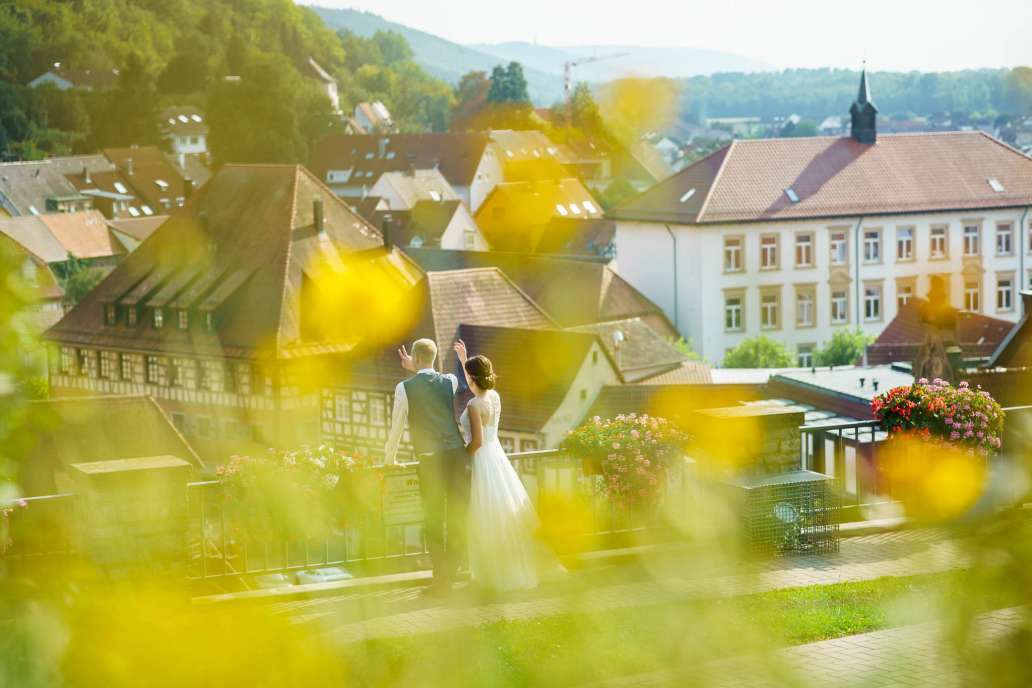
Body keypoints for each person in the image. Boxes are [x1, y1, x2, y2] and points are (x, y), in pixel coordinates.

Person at [454, 340, 563, 592]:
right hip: (498, 457)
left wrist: (460, 457)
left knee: (485, 516)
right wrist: (464, 359)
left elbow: (477, 441)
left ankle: (493, 573)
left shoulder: (473, 405)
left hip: (481, 460)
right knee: (505, 512)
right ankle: (516, 565)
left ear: (472, 378)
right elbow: (476, 387)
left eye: (468, 375)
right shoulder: (494, 396)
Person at [385, 338, 469, 594]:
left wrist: (390, 459)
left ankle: (441, 579)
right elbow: (441, 381)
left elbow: (397, 427)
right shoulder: (450, 382)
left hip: (431, 460)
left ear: (415, 358)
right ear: (432, 358)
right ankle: (449, 575)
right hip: (456, 456)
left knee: (433, 520)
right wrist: (419, 368)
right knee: (457, 518)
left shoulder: (404, 388)